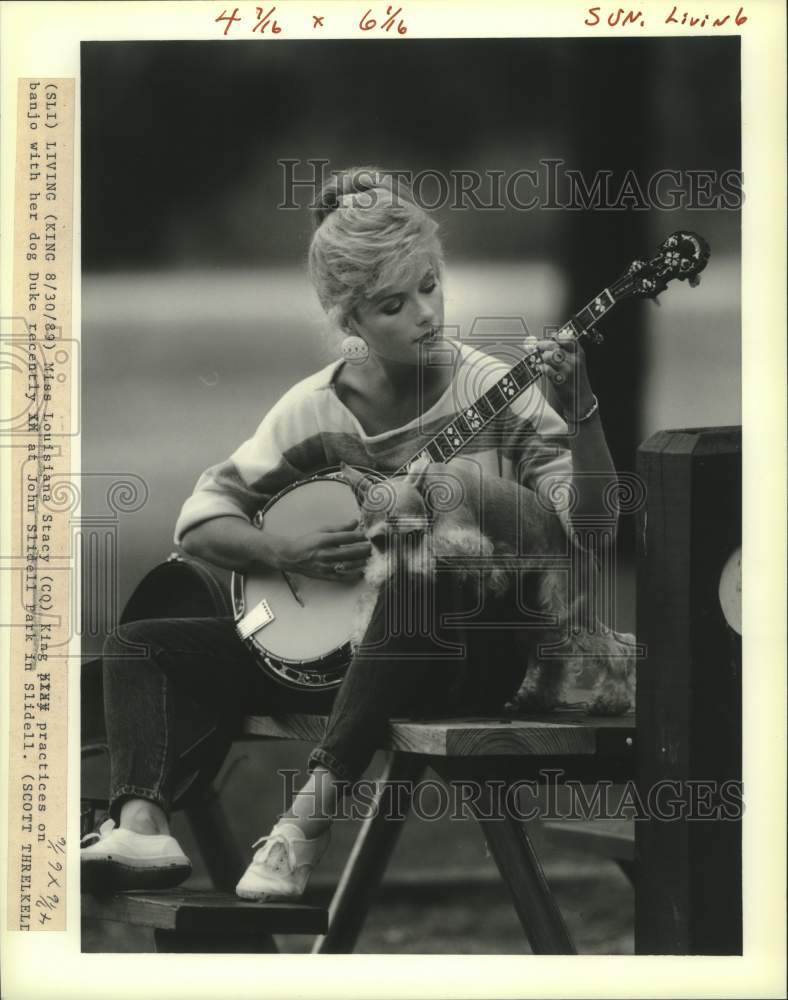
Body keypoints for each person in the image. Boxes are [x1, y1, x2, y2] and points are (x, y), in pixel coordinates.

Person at [81, 166, 618, 900]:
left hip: (471, 652)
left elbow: (589, 526)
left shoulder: (498, 390)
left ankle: (306, 821)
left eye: (430, 285)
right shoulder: (313, 412)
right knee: (142, 642)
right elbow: (201, 519)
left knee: (418, 573)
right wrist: (282, 551)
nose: (426, 315)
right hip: (335, 662)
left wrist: (581, 412)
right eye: (395, 305)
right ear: (351, 319)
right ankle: (142, 827)